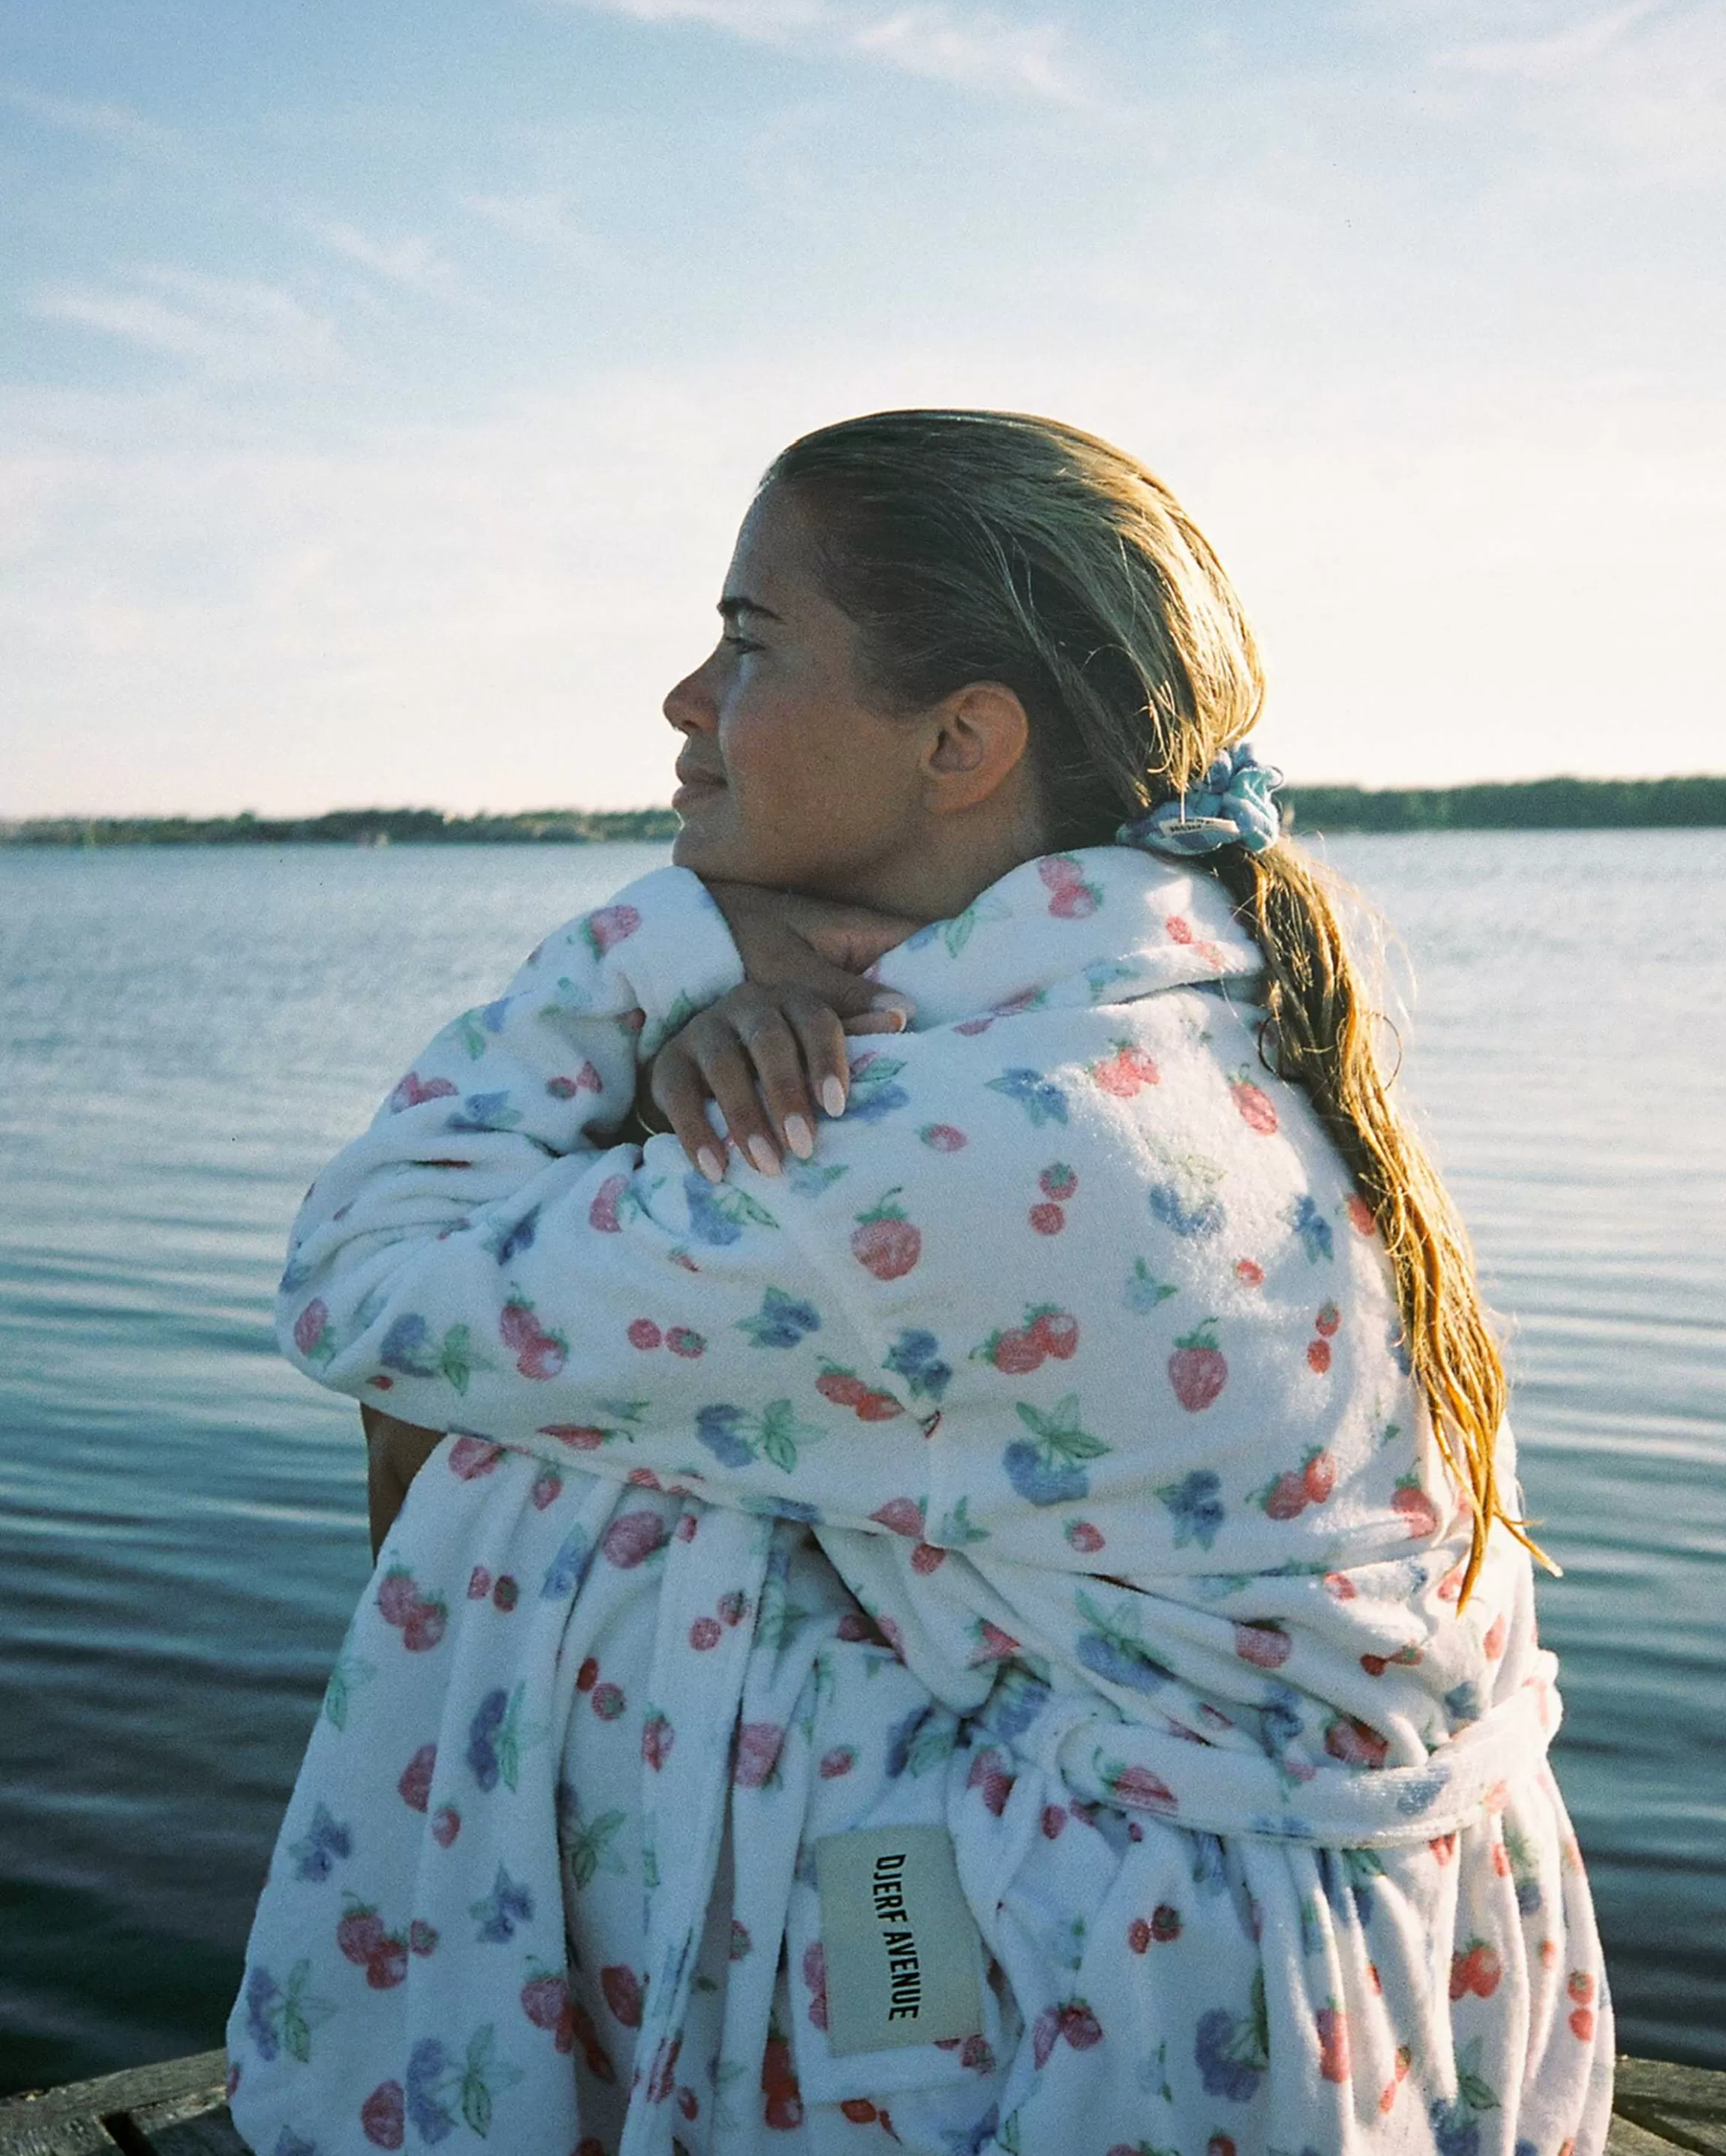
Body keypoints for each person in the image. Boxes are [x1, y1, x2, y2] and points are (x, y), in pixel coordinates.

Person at [227, 410, 1612, 2156]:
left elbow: (369, 1284)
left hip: (1146, 2019)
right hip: (1346, 1975)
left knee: (527, 1482)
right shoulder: (1177, 1018)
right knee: (650, 1436)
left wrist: (642, 954)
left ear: (960, 740)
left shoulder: (938, 1132)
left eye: (746, 644)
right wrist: (682, 1055)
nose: (680, 703)